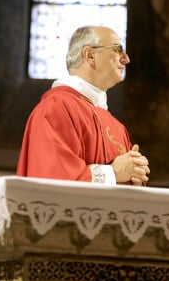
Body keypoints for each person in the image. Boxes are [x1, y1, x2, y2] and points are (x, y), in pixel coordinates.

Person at [17, 26, 150, 186]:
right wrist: (113, 173)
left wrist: (136, 174)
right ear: (90, 55)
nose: (126, 58)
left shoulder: (117, 127)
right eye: (117, 50)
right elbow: (53, 180)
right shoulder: (56, 108)